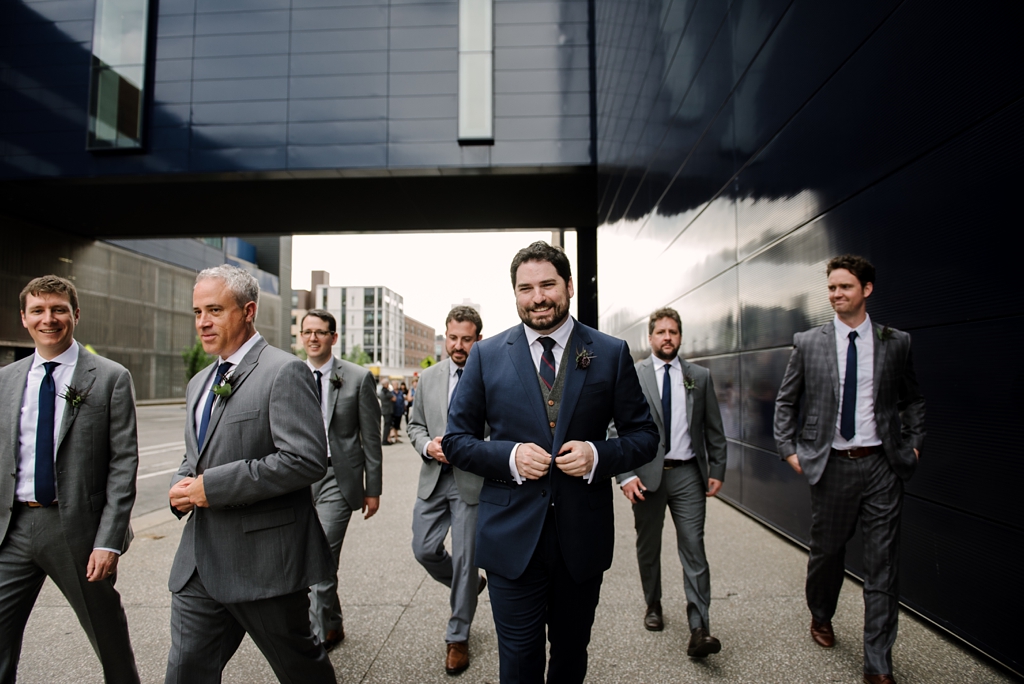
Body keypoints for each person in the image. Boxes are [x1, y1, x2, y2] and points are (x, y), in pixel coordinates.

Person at [443, 241, 659, 684]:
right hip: (510, 538)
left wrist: (598, 454)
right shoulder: (485, 356)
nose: (537, 297)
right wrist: (510, 457)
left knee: (569, 654)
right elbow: (457, 441)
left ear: (569, 286)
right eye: (526, 288)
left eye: (547, 285)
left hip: (582, 536)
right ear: (515, 293)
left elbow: (645, 437)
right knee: (519, 660)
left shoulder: (610, 351)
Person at [166, 265, 336, 684]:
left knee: (300, 668)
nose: (203, 322)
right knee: (185, 669)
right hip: (198, 564)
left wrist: (212, 487)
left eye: (214, 310)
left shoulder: (284, 371)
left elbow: (305, 460)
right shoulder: (199, 382)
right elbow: (199, 455)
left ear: (248, 311)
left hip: (265, 563)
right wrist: (182, 483)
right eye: (197, 312)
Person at [774, 255, 925, 684]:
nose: (837, 295)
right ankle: (821, 614)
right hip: (832, 467)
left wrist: (912, 445)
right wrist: (789, 448)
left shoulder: (896, 342)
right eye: (832, 288)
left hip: (882, 466)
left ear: (867, 290)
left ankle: (878, 662)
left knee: (883, 564)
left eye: (845, 287)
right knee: (827, 554)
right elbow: (787, 401)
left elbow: (913, 399)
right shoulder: (809, 342)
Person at [0, 275, 140, 683]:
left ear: (75, 314)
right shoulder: (6, 380)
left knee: (108, 639)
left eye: (58, 309)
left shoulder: (111, 377)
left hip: (77, 532)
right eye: (39, 310)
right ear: (24, 319)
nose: (49, 319)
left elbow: (122, 464)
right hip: (12, 529)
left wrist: (108, 540)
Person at [617, 307, 727, 657]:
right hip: (647, 476)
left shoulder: (699, 376)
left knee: (694, 547)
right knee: (648, 547)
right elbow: (615, 427)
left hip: (688, 475)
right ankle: (653, 604)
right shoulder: (634, 374)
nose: (667, 337)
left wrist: (717, 469)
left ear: (680, 337)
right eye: (661, 332)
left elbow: (714, 429)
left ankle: (700, 626)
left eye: (673, 332)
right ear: (650, 338)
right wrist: (625, 475)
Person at [408, 306, 487, 675]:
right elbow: (415, 425)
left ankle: (458, 635)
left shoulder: (492, 376)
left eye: (466, 339)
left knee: (466, 557)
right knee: (423, 549)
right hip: (433, 478)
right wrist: (427, 447)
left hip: (470, 481)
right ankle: (469, 586)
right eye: (452, 338)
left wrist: (472, 450)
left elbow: (500, 431)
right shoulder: (428, 377)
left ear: (478, 339)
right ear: (445, 337)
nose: (458, 346)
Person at [300, 309, 383, 651]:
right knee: (305, 554)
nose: (313, 338)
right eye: (307, 332)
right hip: (298, 477)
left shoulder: (358, 377)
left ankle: (315, 640)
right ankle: (332, 624)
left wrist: (373, 489)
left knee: (319, 558)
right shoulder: (288, 374)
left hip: (338, 476)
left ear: (333, 338)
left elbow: (371, 437)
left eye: (320, 332)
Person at [377, 376, 394, 445]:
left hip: (384, 410)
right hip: (387, 410)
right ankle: (385, 440)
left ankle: (386, 439)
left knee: (387, 425)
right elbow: (394, 398)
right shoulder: (386, 392)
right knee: (387, 426)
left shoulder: (382, 392)